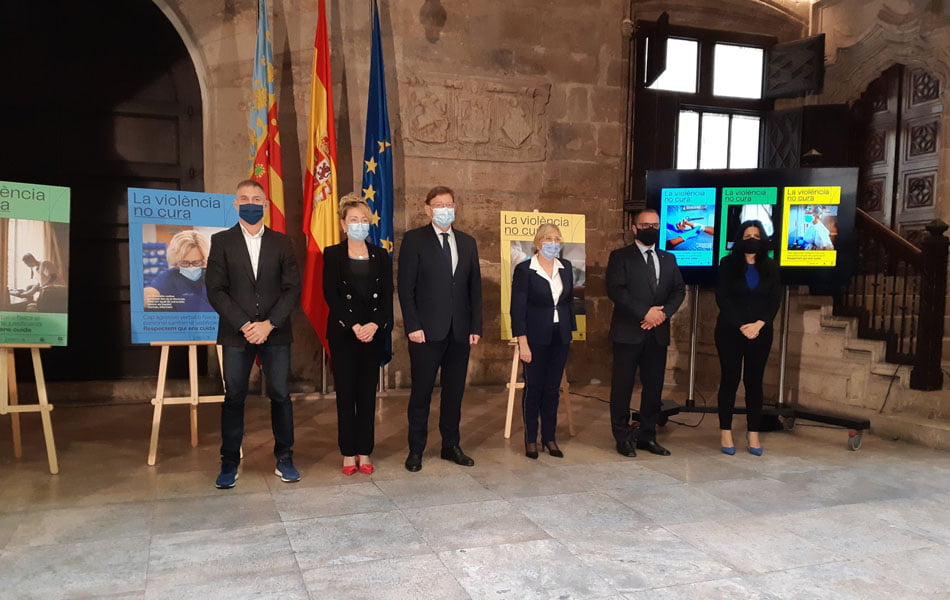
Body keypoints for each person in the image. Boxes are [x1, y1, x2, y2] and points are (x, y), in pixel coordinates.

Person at [205, 179, 302, 489]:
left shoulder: (282, 242)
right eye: (244, 198)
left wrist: (269, 324)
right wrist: (245, 324)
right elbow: (215, 290)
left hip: (275, 332)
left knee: (280, 395)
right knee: (234, 396)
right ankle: (229, 462)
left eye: (256, 199)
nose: (250, 203)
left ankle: (285, 457)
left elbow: (292, 288)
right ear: (236, 204)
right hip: (237, 334)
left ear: (265, 205)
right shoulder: (221, 241)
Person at [398, 185, 482, 472]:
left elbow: (474, 288)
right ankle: (416, 449)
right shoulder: (414, 240)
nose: (445, 209)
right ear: (428, 209)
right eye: (439, 205)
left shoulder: (468, 242)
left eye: (449, 204)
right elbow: (405, 288)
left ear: (455, 208)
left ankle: (451, 445)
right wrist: (412, 325)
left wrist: (475, 325)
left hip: (460, 331)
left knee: (454, 393)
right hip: (425, 332)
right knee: (421, 393)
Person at [323, 194, 393, 475]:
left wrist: (374, 325)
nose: (359, 224)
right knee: (345, 394)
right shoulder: (332, 254)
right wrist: (354, 325)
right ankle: (347, 453)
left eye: (364, 220)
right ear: (343, 224)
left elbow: (387, 296)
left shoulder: (381, 255)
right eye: (354, 220)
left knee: (366, 395)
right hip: (344, 333)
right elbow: (331, 295)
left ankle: (364, 451)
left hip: (372, 335)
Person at [606, 208, 685, 457]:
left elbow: (678, 290)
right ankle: (622, 436)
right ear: (634, 228)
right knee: (622, 387)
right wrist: (645, 313)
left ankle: (647, 436)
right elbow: (616, 290)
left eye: (655, 225)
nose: (651, 229)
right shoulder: (620, 257)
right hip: (628, 332)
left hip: (657, 333)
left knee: (653, 387)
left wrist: (662, 314)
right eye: (645, 225)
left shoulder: (668, 258)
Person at [715, 220, 781, 456]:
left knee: (754, 382)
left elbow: (774, 299)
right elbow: (722, 298)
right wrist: (741, 325)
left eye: (756, 235)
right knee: (730, 380)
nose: (752, 239)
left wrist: (759, 324)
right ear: (739, 239)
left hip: (761, 332)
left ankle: (753, 433)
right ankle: (725, 432)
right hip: (730, 330)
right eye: (747, 235)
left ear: (762, 239)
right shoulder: (727, 264)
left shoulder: (771, 266)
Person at [510, 224, 575, 459]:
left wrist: (570, 331)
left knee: (552, 389)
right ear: (538, 243)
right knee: (534, 388)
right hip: (534, 338)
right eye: (548, 238)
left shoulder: (565, 267)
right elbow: (517, 309)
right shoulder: (525, 269)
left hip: (560, 336)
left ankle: (549, 437)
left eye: (557, 239)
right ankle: (530, 439)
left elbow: (568, 302)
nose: (553, 243)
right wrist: (523, 342)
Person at [144, 230, 214, 312]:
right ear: (176, 262)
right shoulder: (169, 277)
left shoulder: (214, 276)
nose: (191, 267)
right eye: (184, 263)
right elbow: (151, 292)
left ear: (204, 260)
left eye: (196, 262)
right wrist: (148, 297)